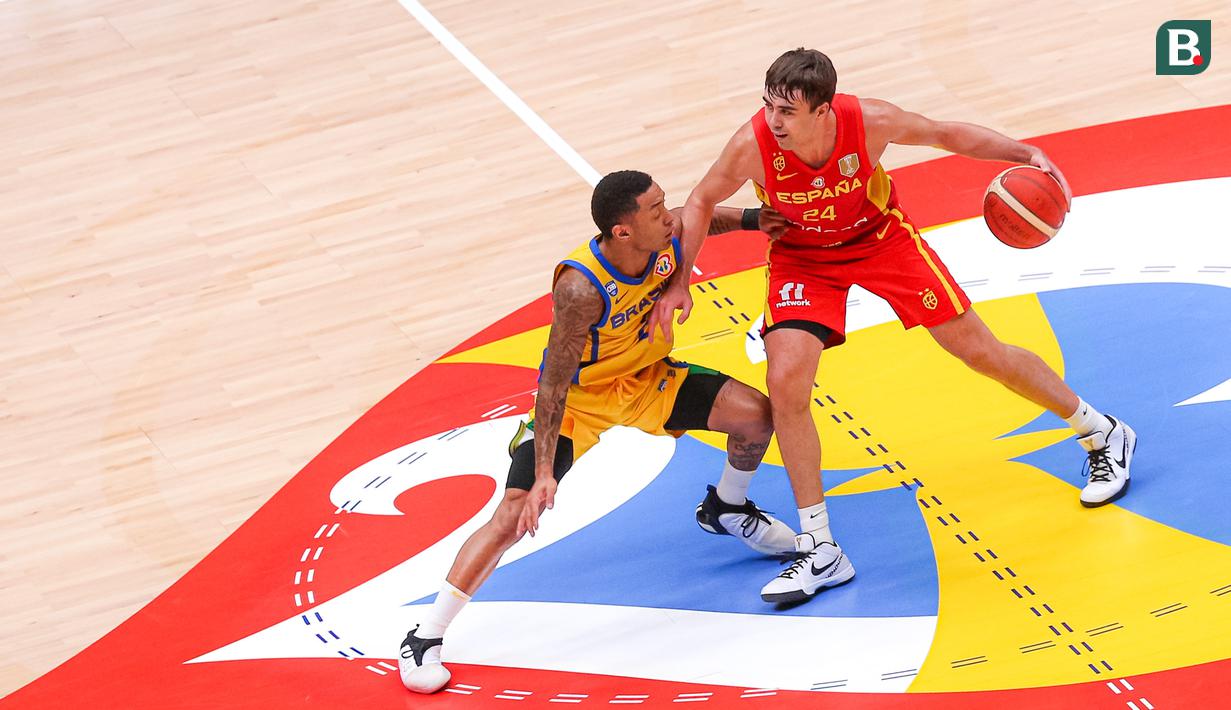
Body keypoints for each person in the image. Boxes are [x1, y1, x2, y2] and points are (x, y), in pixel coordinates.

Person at [650, 48, 1136, 605]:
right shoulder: (752, 144)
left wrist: (1023, 150)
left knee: (981, 352)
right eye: (769, 106)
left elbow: (943, 134)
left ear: (824, 110)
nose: (774, 120)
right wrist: (680, 280)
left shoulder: (870, 121)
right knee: (787, 388)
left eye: (787, 110)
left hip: (881, 241)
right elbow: (702, 200)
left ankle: (1102, 430)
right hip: (804, 260)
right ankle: (822, 548)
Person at [399, 170, 797, 694]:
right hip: (578, 403)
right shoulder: (581, 289)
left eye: (662, 203)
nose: (668, 214)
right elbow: (552, 385)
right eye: (655, 210)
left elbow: (701, 218)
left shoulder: (663, 237)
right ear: (622, 231)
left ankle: (726, 507)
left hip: (647, 379)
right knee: (515, 510)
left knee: (756, 416)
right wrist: (544, 473)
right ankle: (426, 634)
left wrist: (753, 220)